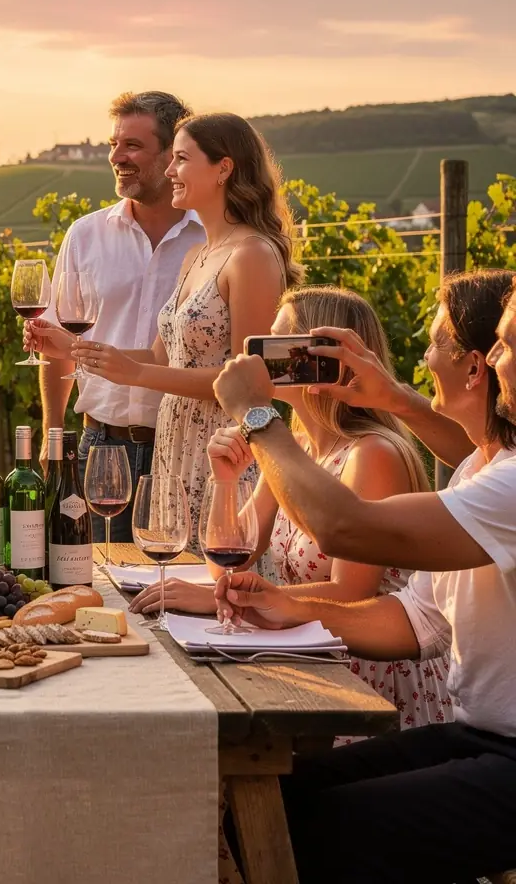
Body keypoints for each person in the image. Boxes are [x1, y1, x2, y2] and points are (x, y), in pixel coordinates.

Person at [211, 269, 516, 883]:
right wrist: (296, 608)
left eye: (507, 346)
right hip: (477, 735)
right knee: (263, 799)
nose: (496, 358)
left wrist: (257, 413)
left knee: (305, 829)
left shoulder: (507, 485)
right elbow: (417, 621)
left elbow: (344, 527)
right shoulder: (482, 471)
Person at [132, 284, 451, 725]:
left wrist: (217, 600)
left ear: (318, 360)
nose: (258, 354)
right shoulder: (297, 447)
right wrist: (226, 480)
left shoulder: (372, 454)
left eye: (277, 341)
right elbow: (227, 561)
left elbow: (351, 593)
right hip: (310, 655)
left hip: (366, 676)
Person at [32, 112, 302, 552]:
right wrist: (73, 347)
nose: (171, 171)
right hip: (175, 448)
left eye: (181, 159)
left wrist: (135, 375)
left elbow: (250, 384)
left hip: (219, 452)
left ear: (223, 168)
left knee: (212, 578)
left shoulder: (252, 255)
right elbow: (160, 358)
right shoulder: (198, 254)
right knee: (163, 582)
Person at [23, 90, 205, 543]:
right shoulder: (86, 235)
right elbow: (57, 346)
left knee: (177, 577)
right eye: (114, 144)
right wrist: (52, 433)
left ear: (172, 155)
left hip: (185, 449)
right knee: (96, 574)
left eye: (133, 146)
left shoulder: (211, 239)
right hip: (101, 449)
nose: (116, 157)